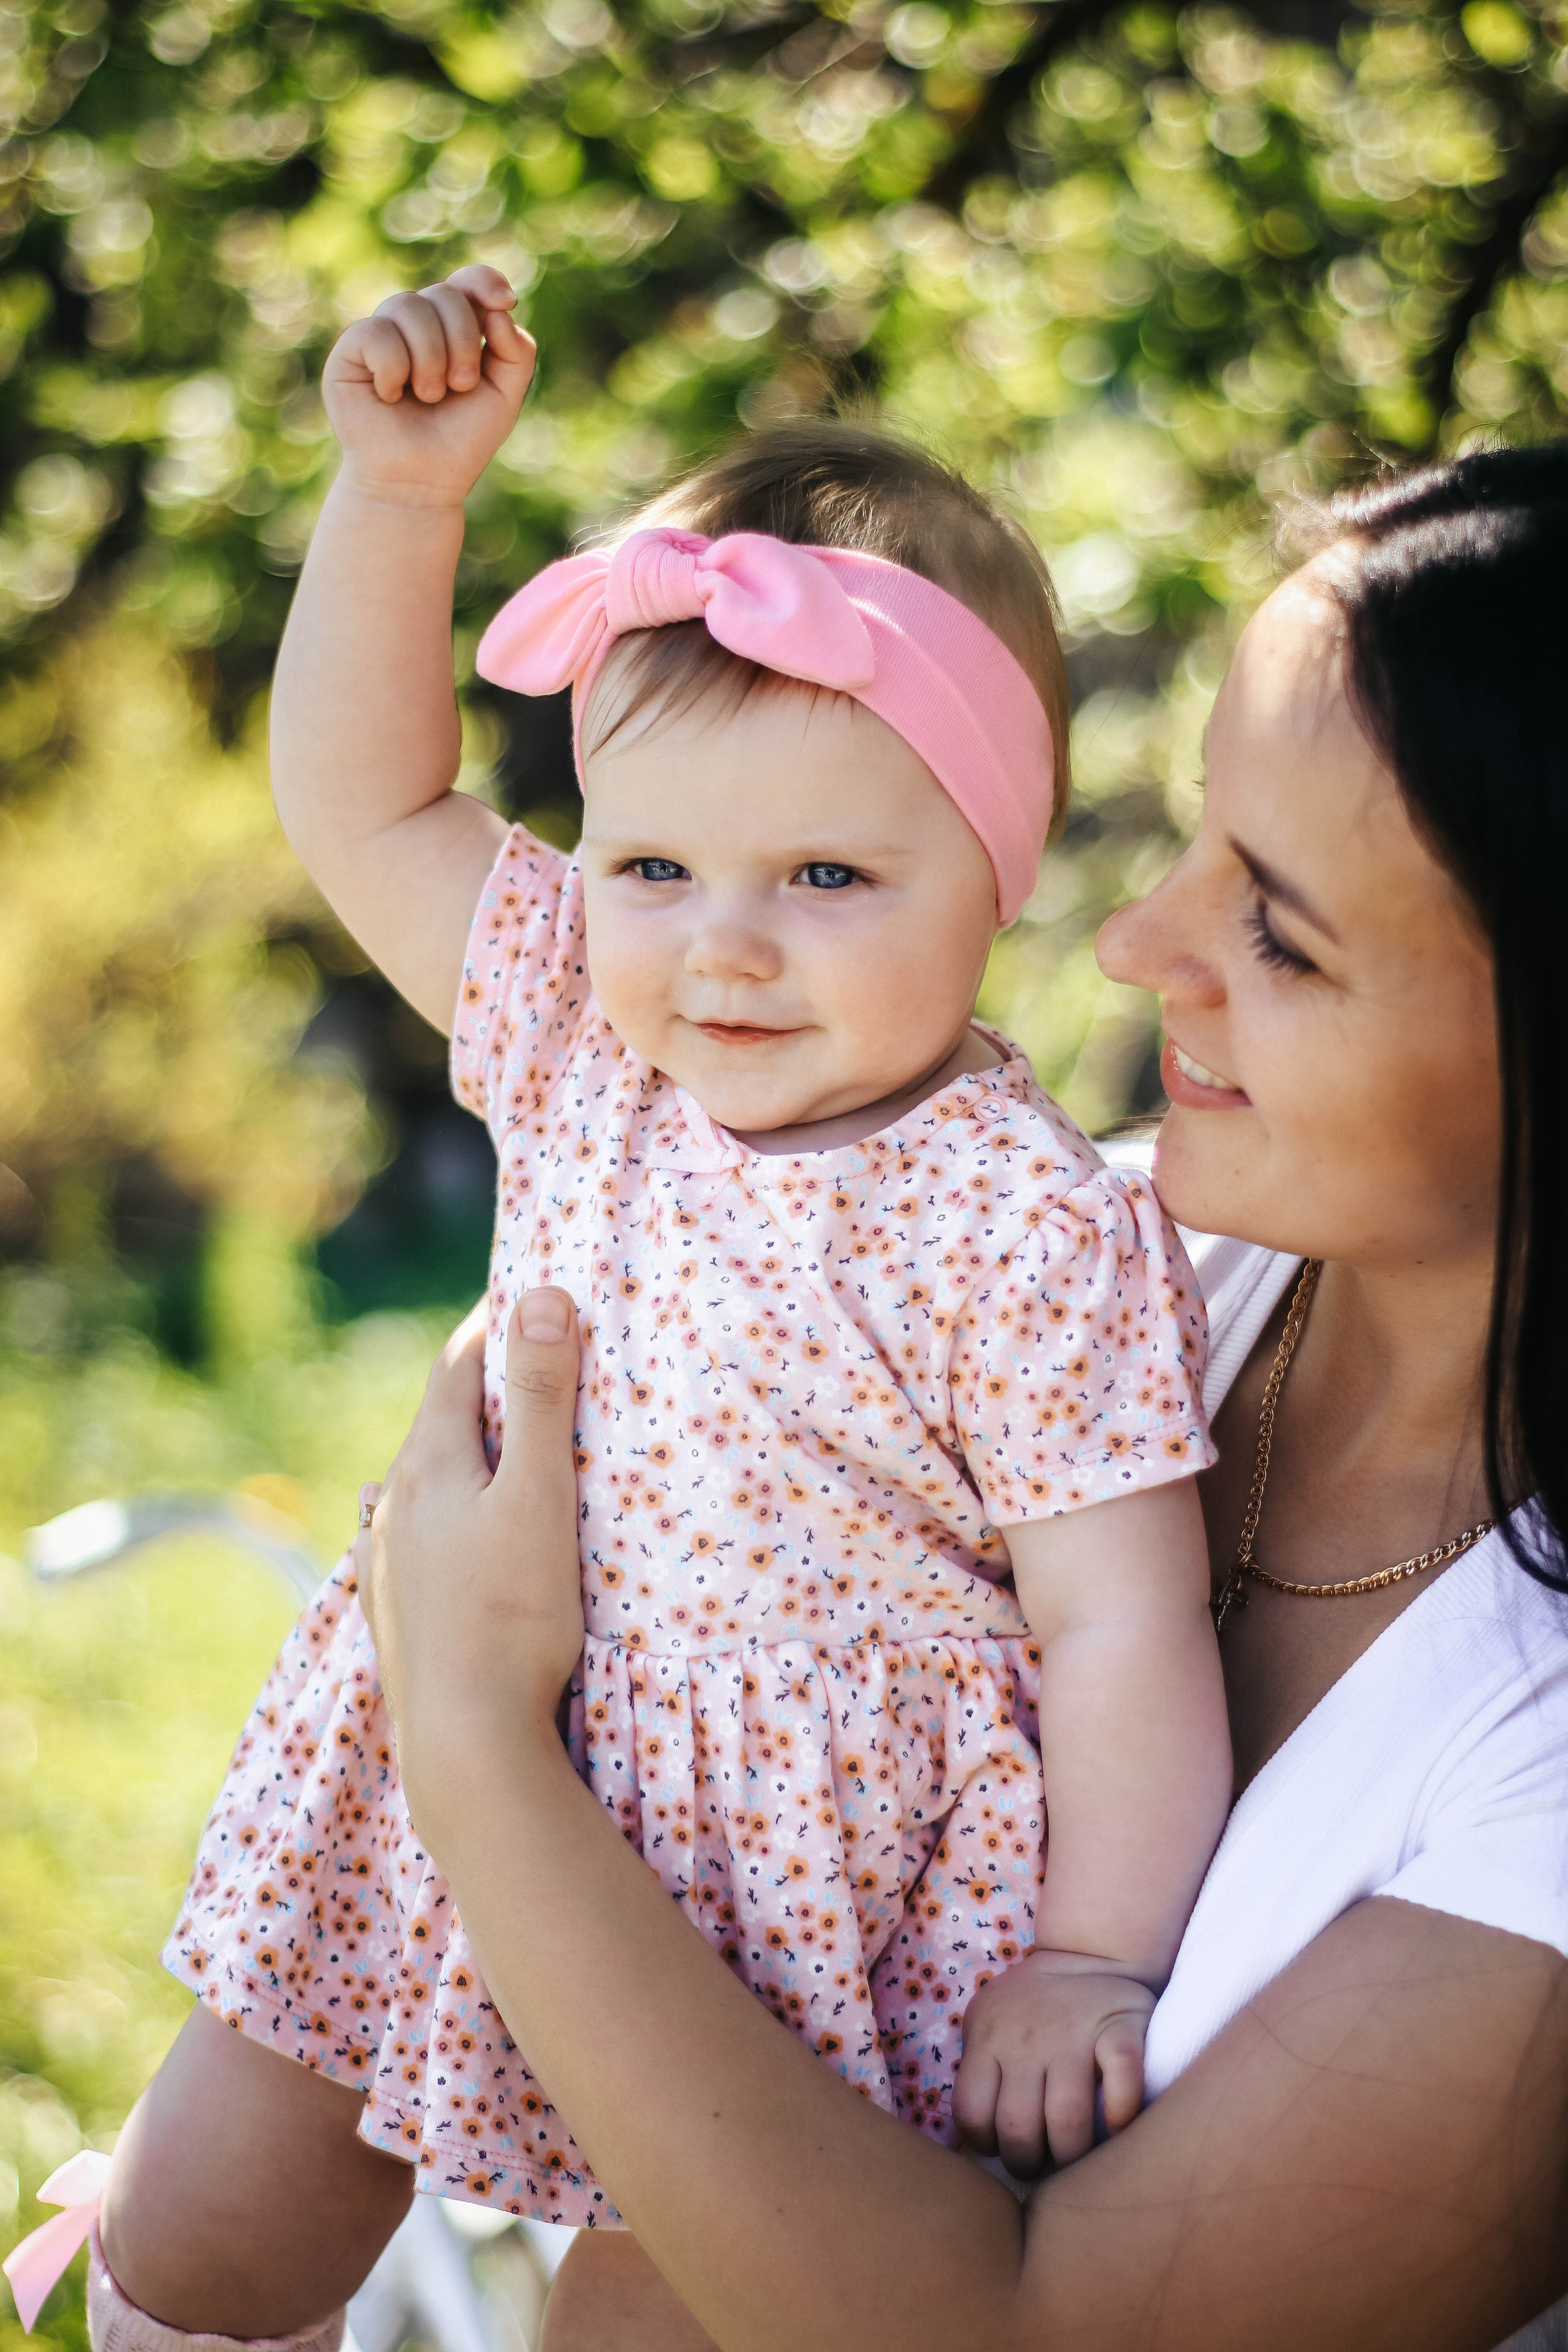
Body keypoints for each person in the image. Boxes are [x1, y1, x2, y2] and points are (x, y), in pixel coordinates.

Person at [12, 268, 1240, 2345]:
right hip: (455, 1772)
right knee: (210, 2232)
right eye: (652, 864)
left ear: (996, 876)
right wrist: (401, 501)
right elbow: (370, 804)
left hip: (809, 1905)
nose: (722, 950)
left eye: (827, 882)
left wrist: (1091, 1959)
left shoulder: (1026, 1223)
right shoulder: (585, 1035)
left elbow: (1120, 1616)